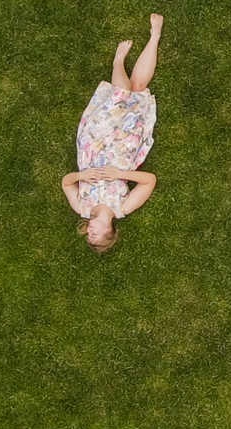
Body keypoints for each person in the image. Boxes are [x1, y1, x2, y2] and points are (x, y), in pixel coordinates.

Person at [59, 14, 163, 252]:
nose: (89, 233)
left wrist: (81, 176)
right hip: (125, 145)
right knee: (137, 89)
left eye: (89, 236)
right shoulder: (123, 208)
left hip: (93, 143)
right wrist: (119, 173)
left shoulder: (81, 207)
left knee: (123, 92)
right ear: (108, 231)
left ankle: (118, 62)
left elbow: (66, 182)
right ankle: (154, 36)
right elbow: (149, 181)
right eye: (94, 237)